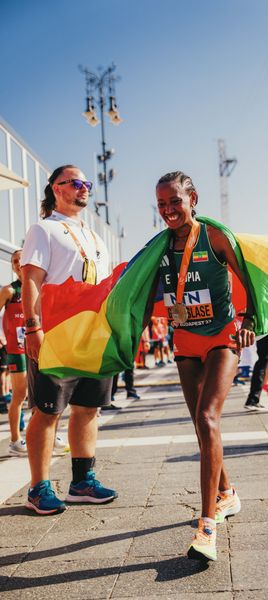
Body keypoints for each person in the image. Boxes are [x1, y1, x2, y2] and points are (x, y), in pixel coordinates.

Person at [149, 171, 255, 561]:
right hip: (184, 341)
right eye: (161, 205)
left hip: (221, 337)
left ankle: (207, 527)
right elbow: (143, 295)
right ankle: (227, 494)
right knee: (199, 423)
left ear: (193, 198)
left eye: (174, 201)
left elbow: (250, 279)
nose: (168, 211)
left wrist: (250, 322)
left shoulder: (215, 237)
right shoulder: (160, 247)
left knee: (208, 418)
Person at [21, 164, 117, 515]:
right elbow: (31, 278)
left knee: (88, 408)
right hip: (57, 332)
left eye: (86, 183)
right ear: (56, 189)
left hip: (93, 334)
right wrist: (33, 327)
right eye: (76, 183)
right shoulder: (43, 229)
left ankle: (82, 482)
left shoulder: (94, 237)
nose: (84, 188)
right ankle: (38, 487)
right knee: (48, 410)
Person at [0, 250, 28, 454]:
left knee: (42, 393)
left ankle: (49, 436)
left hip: (40, 347)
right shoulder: (10, 290)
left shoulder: (40, 286)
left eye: (21, 259)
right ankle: (15, 441)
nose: (18, 264)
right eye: (14, 261)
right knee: (20, 394)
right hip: (17, 350)